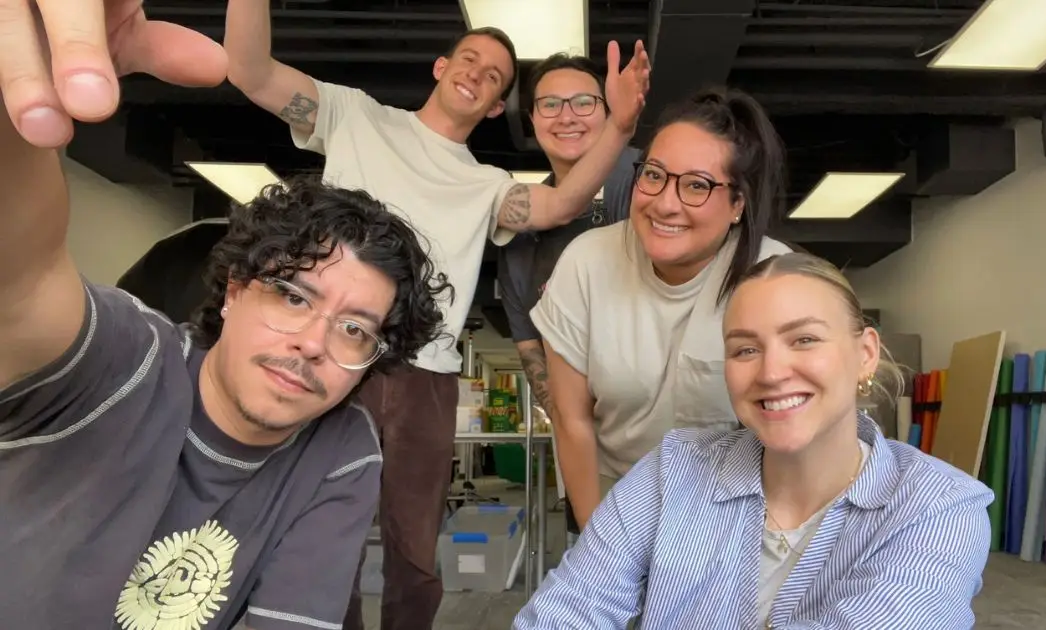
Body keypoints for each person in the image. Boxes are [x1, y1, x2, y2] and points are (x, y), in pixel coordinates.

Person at [0, 4, 451, 630]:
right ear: (235, 291)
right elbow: (20, 278)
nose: (314, 343)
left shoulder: (342, 450)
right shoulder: (122, 358)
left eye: (355, 329)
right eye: (293, 296)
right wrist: (18, 104)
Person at [221, 4, 650, 628]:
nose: (478, 74)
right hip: (331, 354)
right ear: (442, 66)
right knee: (319, 532)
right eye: (470, 58)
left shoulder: (487, 184)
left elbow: (559, 204)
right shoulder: (354, 116)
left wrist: (619, 126)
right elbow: (250, 71)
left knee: (414, 551)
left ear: (497, 106)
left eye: (497, 76)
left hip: (426, 375)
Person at [514, 251, 995, 629]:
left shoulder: (941, 508)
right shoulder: (671, 472)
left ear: (866, 353)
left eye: (804, 339)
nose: (771, 372)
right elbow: (563, 612)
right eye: (745, 349)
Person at [529, 88, 795, 530]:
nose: (665, 203)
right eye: (653, 175)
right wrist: (601, 545)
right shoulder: (587, 262)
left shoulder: (772, 278)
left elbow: (797, 431)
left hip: (739, 510)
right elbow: (571, 418)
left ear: (737, 205)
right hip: (617, 500)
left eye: (697, 185)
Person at [495, 52, 639, 537]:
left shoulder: (647, 182)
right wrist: (570, 423)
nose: (567, 116)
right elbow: (531, 346)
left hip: (684, 442)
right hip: (587, 455)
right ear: (532, 120)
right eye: (550, 104)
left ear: (607, 111)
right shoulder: (519, 233)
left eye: (583, 101)